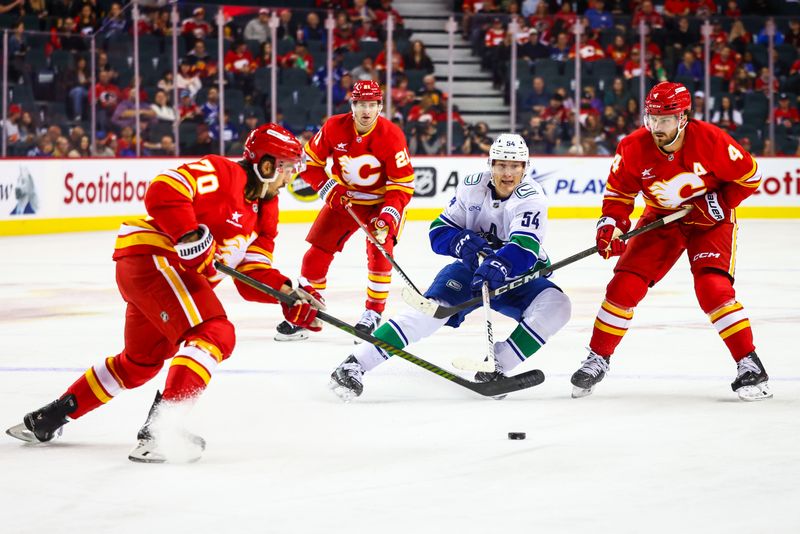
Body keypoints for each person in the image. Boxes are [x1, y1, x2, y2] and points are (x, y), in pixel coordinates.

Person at [5, 124, 326, 462]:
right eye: (288, 167)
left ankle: (49, 418)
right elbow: (163, 189)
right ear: (266, 164)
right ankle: (161, 431)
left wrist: (289, 295)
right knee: (216, 332)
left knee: (140, 363)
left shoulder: (266, 212)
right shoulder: (223, 173)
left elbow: (251, 276)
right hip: (154, 258)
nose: (291, 177)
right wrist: (187, 236)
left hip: (158, 273)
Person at [329, 134, 571, 400]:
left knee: (558, 306)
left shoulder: (531, 198)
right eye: (501, 165)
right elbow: (438, 231)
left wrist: (499, 265)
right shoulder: (471, 188)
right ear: (490, 164)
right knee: (431, 310)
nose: (508, 173)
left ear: (525, 168)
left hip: (517, 273)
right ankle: (356, 363)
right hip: (471, 272)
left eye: (515, 166)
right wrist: (459, 241)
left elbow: (525, 248)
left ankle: (497, 366)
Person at [570, 81, 771, 402]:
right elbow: (619, 194)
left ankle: (750, 364)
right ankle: (598, 358)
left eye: (664, 120)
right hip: (661, 220)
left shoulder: (711, 140)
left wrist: (716, 203)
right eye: (651, 119)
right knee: (623, 286)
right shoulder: (633, 147)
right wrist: (611, 226)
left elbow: (750, 177)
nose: (656, 127)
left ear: (683, 118)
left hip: (710, 221)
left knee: (713, 289)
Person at [274, 80, 415, 341]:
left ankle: (373, 314)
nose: (366, 110)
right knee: (314, 256)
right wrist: (328, 187)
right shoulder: (334, 127)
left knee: (379, 255)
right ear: (352, 105)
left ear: (380, 107)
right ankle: (308, 311)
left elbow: (402, 185)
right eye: (361, 104)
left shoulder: (392, 135)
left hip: (379, 204)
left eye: (372, 105)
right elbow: (308, 163)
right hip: (344, 199)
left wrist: (388, 215)